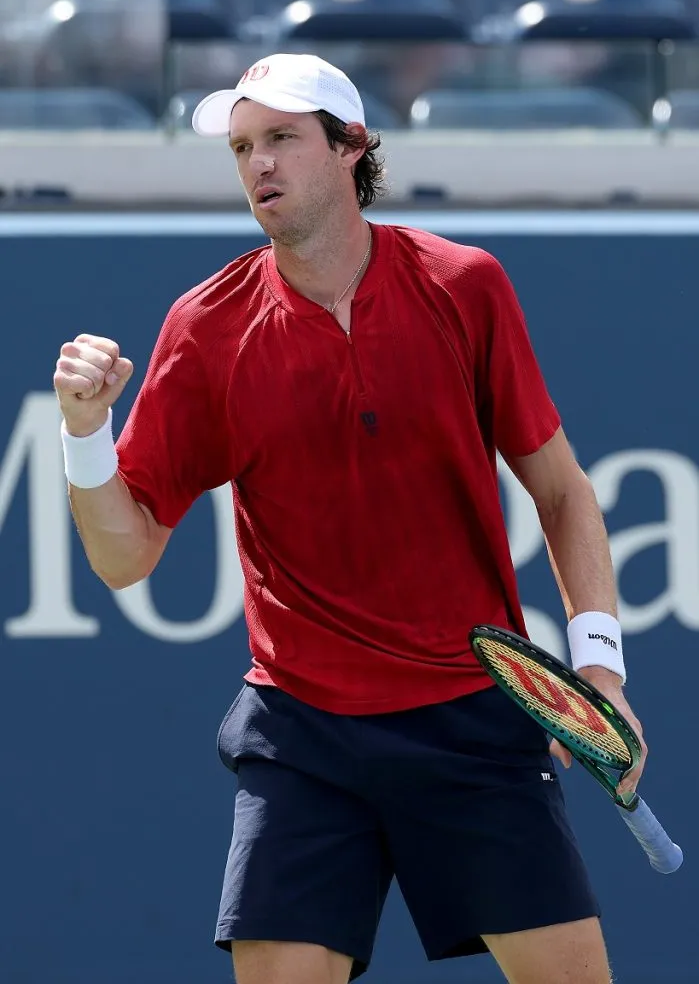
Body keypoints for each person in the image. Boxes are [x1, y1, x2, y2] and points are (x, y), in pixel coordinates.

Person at [53, 53, 647, 984]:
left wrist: (599, 670)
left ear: (350, 147)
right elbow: (123, 558)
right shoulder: (204, 328)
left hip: (472, 716)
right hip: (303, 732)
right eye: (243, 147)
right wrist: (85, 439)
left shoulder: (464, 285)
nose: (259, 166)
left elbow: (563, 490)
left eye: (282, 139)